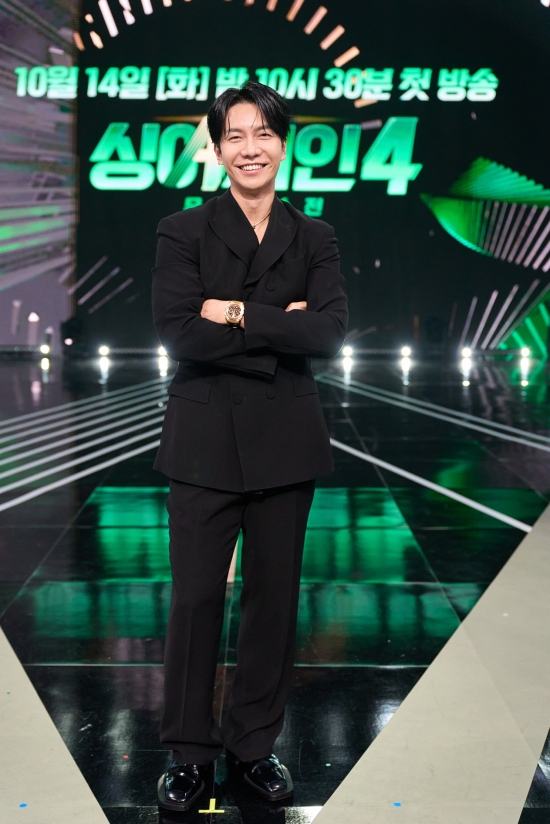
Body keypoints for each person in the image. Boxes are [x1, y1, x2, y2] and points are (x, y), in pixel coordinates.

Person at [152, 81, 348, 812]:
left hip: (286, 441)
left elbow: (328, 333)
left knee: (272, 602)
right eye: (234, 135)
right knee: (197, 599)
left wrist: (233, 311)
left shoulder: (315, 235)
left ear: (284, 144)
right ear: (216, 147)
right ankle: (189, 753)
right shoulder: (182, 230)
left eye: (263, 133)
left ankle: (253, 746)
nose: (250, 148)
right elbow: (179, 333)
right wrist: (279, 325)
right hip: (202, 439)